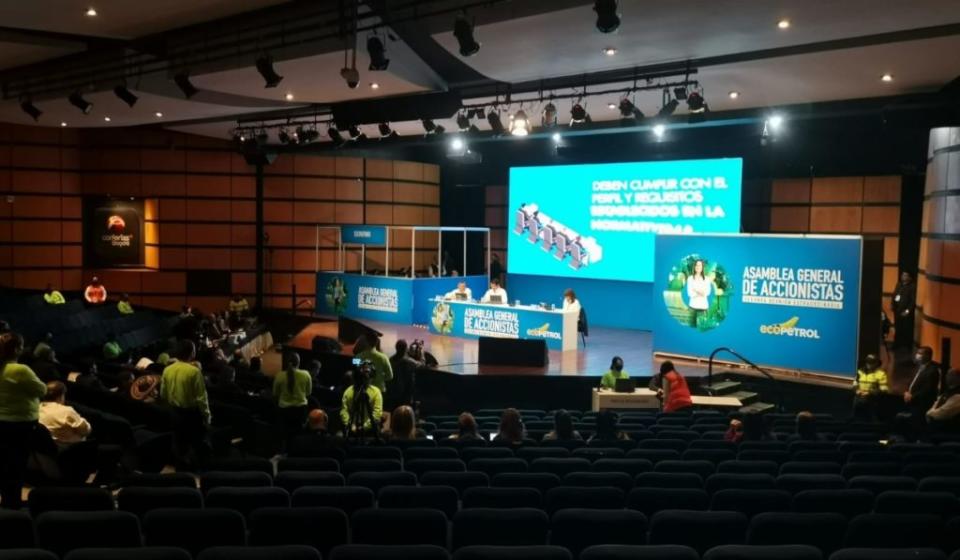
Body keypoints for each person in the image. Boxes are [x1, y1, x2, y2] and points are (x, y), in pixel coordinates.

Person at [0, 332, 47, 509]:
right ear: (17, 349)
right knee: (16, 465)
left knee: (5, 463)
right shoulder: (20, 370)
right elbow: (42, 390)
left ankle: (7, 500)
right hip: (20, 425)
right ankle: (12, 504)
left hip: (2, 423)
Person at [160, 340, 211, 467]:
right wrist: (207, 416)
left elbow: (163, 394)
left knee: (180, 444)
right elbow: (201, 398)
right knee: (197, 443)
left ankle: (182, 470)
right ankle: (199, 469)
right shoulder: (194, 371)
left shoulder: (167, 370)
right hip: (191, 415)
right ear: (191, 353)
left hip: (174, 413)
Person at [273, 351, 312, 439]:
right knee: (299, 432)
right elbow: (308, 393)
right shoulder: (306, 374)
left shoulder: (279, 375)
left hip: (283, 410)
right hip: (300, 410)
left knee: (285, 432)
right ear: (299, 362)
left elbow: (275, 394)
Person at [38, 381, 92, 446]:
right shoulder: (66, 411)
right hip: (71, 448)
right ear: (60, 397)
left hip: (47, 447)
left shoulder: (37, 408)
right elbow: (85, 431)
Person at [340, 361, 383, 437]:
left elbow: (376, 414)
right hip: (360, 433)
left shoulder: (348, 391)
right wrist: (356, 427)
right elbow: (344, 411)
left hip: (361, 432)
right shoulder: (376, 391)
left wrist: (355, 427)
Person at [904, 346, 939, 419]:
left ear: (928, 355)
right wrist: (907, 392)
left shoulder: (932, 370)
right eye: (917, 353)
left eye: (920, 353)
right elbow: (912, 382)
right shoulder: (918, 367)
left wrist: (912, 397)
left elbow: (928, 389)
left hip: (922, 404)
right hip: (912, 403)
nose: (917, 355)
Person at [854, 354, 889, 420]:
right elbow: (855, 384)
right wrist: (857, 390)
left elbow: (884, 389)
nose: (869, 364)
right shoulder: (860, 371)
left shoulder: (881, 374)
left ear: (876, 363)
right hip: (858, 399)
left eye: (871, 362)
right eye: (868, 362)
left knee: (872, 420)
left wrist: (870, 393)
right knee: (856, 419)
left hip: (872, 401)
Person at [891, 272, 917, 351]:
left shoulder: (912, 287)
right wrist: (892, 304)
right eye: (902, 275)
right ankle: (897, 344)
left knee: (906, 329)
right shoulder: (899, 285)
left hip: (905, 312)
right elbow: (894, 295)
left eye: (905, 275)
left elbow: (912, 301)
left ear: (910, 277)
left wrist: (907, 311)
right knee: (898, 328)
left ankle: (907, 346)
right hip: (897, 310)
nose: (903, 277)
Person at [389, 339, 418, 407]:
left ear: (396, 348)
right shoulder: (410, 362)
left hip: (393, 395)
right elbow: (421, 364)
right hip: (406, 396)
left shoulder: (390, 360)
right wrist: (421, 353)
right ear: (406, 349)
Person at [686, 259, 710, 326]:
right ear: (694, 267)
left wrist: (696, 290)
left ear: (702, 267)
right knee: (691, 329)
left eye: (700, 265)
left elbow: (707, 293)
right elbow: (690, 293)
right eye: (696, 265)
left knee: (703, 328)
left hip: (704, 307)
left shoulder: (707, 279)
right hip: (692, 307)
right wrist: (701, 292)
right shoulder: (690, 278)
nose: (698, 267)